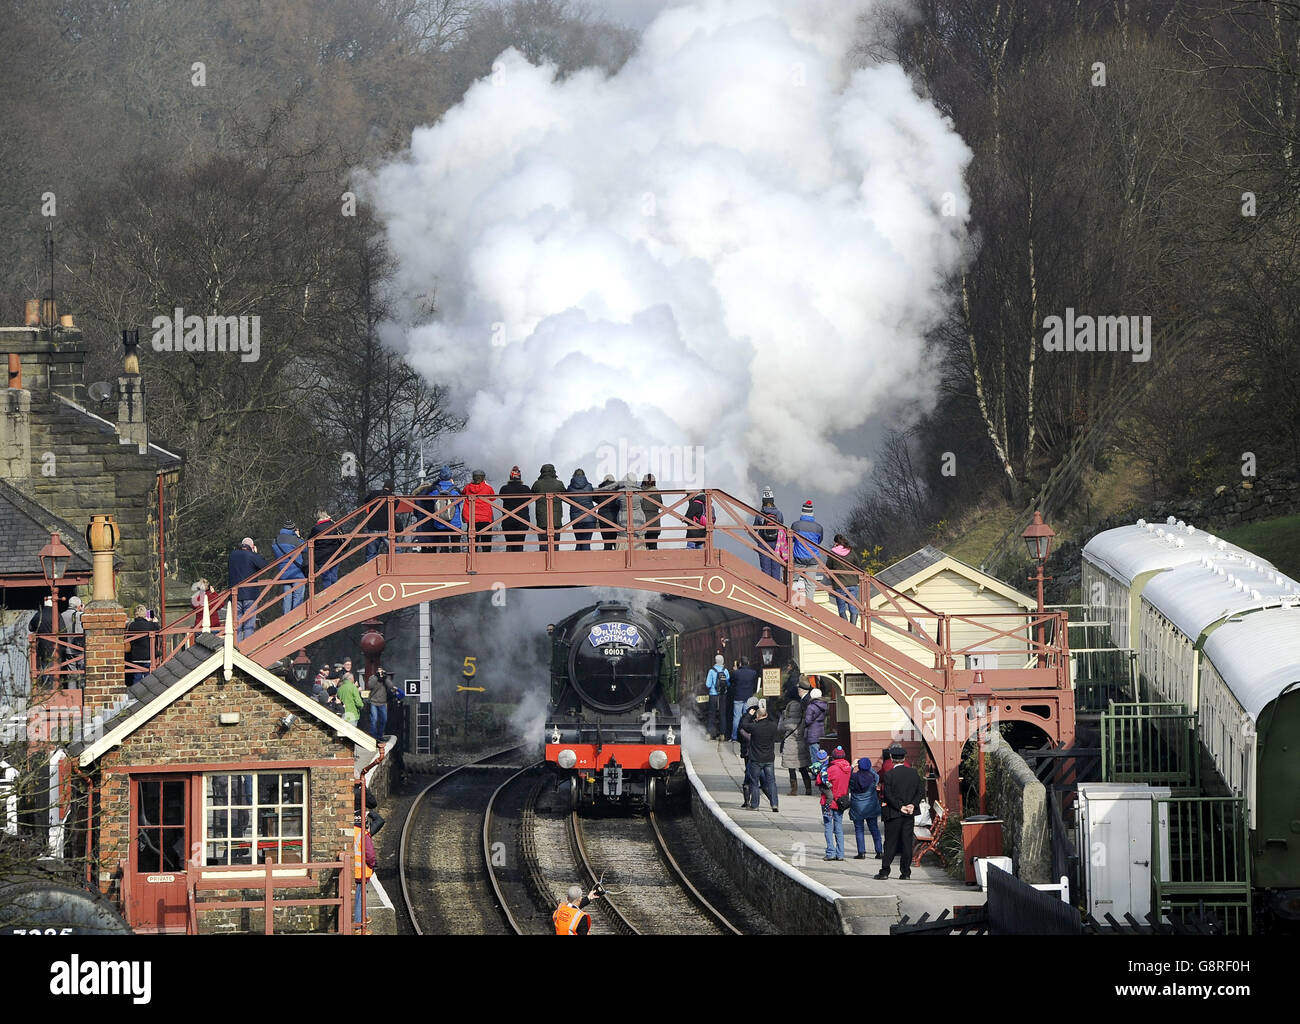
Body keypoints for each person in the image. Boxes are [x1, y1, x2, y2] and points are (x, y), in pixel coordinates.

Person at [876, 745, 925, 880]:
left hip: (893, 813)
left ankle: (885, 871)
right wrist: (911, 805)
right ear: (904, 758)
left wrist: (899, 807)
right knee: (906, 842)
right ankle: (905, 873)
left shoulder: (889, 775)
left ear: (892, 759)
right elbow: (920, 791)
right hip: (909, 814)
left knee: (890, 842)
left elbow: (888, 794)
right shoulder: (913, 773)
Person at [739, 702, 780, 812]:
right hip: (769, 759)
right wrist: (766, 712)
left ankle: (755, 805)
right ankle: (774, 804)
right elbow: (775, 720)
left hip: (756, 759)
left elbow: (743, 725)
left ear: (757, 716)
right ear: (766, 715)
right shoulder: (773, 726)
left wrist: (748, 714)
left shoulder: (754, 727)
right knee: (771, 782)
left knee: (754, 782)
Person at [227, 537, 268, 641]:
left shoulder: (232, 555)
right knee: (249, 624)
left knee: (237, 624)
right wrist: (256, 553)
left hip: (235, 594)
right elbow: (264, 565)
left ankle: (237, 647)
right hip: (250, 594)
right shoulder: (252, 555)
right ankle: (246, 648)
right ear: (252, 547)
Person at [420, 467, 464, 550]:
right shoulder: (455, 490)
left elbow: (426, 499)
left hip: (440, 522)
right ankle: (457, 560)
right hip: (454, 522)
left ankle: (445, 560)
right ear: (450, 477)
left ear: (440, 477)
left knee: (444, 547)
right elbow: (460, 502)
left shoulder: (434, 490)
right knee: (456, 546)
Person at [820, 746, 851, 861]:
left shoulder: (832, 769)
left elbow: (819, 780)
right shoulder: (848, 768)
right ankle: (840, 853)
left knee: (828, 827)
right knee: (838, 827)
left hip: (828, 802)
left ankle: (830, 852)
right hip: (841, 802)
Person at [790, 499, 824, 604]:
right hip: (813, 559)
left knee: (794, 581)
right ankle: (809, 611)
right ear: (812, 513)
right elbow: (819, 541)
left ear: (802, 512)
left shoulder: (795, 525)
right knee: (810, 585)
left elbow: (791, 540)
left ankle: (795, 604)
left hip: (799, 559)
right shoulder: (819, 528)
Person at [778, 693, 812, 796]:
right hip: (801, 745)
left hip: (789, 745)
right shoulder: (803, 719)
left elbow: (779, 729)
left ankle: (794, 790)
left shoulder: (786, 721)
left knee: (791, 768)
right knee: (803, 768)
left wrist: (783, 717)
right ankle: (808, 788)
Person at [849, 757, 883, 859]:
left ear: (859, 766)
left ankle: (861, 852)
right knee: (874, 829)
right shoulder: (873, 777)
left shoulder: (853, 777)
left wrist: (852, 766)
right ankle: (879, 851)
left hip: (857, 807)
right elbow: (876, 775)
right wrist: (868, 767)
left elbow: (847, 777)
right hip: (870, 805)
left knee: (859, 829)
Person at [271, 522, 307, 614]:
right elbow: (306, 548)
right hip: (297, 573)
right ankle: (296, 622)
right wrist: (298, 537)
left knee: (287, 598)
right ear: (293, 529)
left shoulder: (275, 540)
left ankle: (286, 622)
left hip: (284, 574)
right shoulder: (294, 539)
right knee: (297, 598)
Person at [531, 464, 566, 551]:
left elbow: (530, 495)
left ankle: (543, 562)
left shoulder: (537, 484)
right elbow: (566, 496)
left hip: (542, 519)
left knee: (543, 543)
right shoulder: (559, 484)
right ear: (553, 471)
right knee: (555, 543)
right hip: (556, 520)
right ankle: (555, 561)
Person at [829, 534, 861, 625]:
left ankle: (847, 631)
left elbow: (828, 566)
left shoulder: (832, 553)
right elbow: (858, 564)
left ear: (835, 543)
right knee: (853, 608)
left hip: (839, 584)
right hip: (852, 583)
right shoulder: (851, 551)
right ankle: (853, 628)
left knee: (841, 608)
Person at [499, 466, 532, 552]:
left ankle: (509, 560)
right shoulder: (526, 489)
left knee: (509, 543)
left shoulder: (504, 488)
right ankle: (519, 559)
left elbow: (501, 497)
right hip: (522, 520)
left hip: (507, 520)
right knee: (520, 543)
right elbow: (530, 498)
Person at [754, 488, 785, 581]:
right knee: (776, 569)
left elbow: (754, 528)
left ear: (763, 501)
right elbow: (782, 525)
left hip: (763, 543)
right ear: (773, 501)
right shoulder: (779, 513)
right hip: (777, 544)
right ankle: (776, 593)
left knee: (765, 569)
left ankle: (766, 592)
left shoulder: (760, 514)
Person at [461, 470, 496, 551]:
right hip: (485, 518)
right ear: (483, 478)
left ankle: (472, 558)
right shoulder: (488, 488)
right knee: (486, 541)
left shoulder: (467, 488)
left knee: (472, 542)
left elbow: (462, 494)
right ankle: (486, 558)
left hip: (471, 518)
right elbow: (493, 498)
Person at [353, 811, 376, 931]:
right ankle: (358, 926)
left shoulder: (351, 832)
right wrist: (373, 865)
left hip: (351, 870)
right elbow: (370, 855)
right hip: (361, 871)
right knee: (359, 898)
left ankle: (365, 916)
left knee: (358, 896)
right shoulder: (363, 834)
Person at [362, 480, 396, 562]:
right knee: (395, 551)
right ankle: (398, 567)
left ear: (384, 486)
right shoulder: (394, 498)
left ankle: (371, 570)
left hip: (373, 527)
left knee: (371, 553)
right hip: (387, 528)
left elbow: (365, 501)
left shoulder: (374, 494)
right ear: (392, 488)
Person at [126, 604, 159, 685]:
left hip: (135, 656)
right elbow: (158, 631)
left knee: (137, 677)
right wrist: (155, 622)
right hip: (148, 656)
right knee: (148, 676)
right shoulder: (151, 625)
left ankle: (135, 694)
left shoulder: (131, 625)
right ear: (145, 614)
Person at [308, 512, 342, 589]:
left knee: (326, 578)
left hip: (321, 556)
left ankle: (329, 597)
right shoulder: (334, 525)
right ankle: (335, 595)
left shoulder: (316, 528)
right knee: (334, 576)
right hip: (335, 553)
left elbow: (310, 541)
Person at [729, 657, 759, 741]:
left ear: (740, 664)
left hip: (738, 697)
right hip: (748, 697)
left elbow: (731, 681)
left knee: (736, 718)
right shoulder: (753, 673)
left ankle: (734, 737)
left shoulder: (736, 673)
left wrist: (735, 670)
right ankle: (746, 736)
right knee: (747, 717)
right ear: (748, 663)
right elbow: (755, 683)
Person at [567, 469, 597, 550]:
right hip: (589, 517)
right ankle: (587, 561)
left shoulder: (570, 488)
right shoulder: (589, 486)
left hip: (576, 518)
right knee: (586, 542)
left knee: (579, 542)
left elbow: (567, 499)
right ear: (584, 475)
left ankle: (577, 561)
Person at [705, 655, 729, 739]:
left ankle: (709, 734)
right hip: (722, 695)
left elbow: (707, 684)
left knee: (712, 714)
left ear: (715, 661)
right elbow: (728, 683)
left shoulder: (711, 671)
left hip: (713, 695)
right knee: (723, 714)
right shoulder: (725, 671)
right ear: (722, 661)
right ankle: (722, 734)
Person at [803, 686, 829, 765]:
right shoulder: (824, 705)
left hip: (812, 733)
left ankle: (816, 773)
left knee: (814, 756)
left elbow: (807, 721)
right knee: (821, 755)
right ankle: (822, 771)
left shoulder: (811, 707)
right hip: (821, 731)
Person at [622, 474, 648, 549]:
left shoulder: (620, 493)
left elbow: (617, 503)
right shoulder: (640, 492)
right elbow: (643, 502)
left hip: (623, 521)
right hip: (639, 520)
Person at [596, 474, 621, 549]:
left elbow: (595, 499)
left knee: (607, 542)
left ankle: (607, 558)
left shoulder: (599, 490)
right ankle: (617, 559)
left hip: (603, 518)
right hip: (615, 518)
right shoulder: (617, 489)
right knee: (616, 542)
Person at [640, 475, 662, 550]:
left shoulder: (639, 492)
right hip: (655, 522)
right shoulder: (657, 492)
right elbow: (660, 505)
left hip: (642, 522)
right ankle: (654, 561)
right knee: (653, 546)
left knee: (642, 547)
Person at [367, 668, 390, 740]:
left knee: (384, 719)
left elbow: (390, 686)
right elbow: (370, 686)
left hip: (383, 702)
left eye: (381, 671)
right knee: (374, 719)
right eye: (378, 671)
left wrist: (385, 678)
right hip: (373, 702)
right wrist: (376, 677)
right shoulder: (373, 677)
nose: (380, 673)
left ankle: (380, 735)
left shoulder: (386, 678)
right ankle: (373, 736)